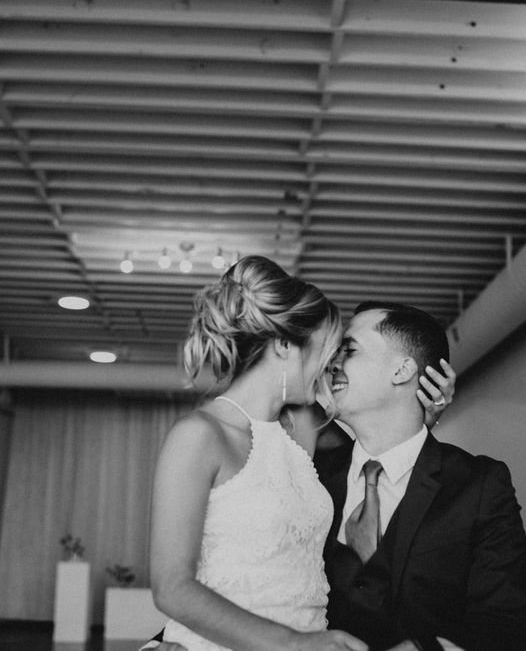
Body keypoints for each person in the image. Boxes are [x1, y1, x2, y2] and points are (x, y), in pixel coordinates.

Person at [149, 257, 454, 651]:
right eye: (327, 350)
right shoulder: (198, 435)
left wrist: (421, 414)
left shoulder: (302, 431)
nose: (333, 365)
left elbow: (384, 449)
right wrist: (294, 643)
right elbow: (172, 587)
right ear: (283, 346)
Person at [318, 302, 526, 651]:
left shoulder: (478, 485)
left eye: (350, 350)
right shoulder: (311, 475)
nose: (332, 362)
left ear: (402, 370)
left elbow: (507, 628)